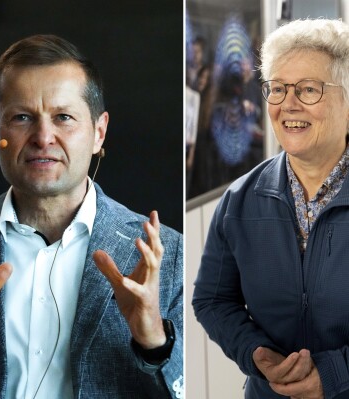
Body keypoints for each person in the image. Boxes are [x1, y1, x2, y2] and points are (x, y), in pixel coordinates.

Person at [0, 34, 183, 398]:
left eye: (64, 118)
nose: (43, 137)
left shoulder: (169, 255)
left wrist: (154, 342)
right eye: (22, 117)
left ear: (98, 133)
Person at [193, 18, 349, 399]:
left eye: (308, 89)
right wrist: (256, 354)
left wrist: (332, 375)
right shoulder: (239, 200)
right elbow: (212, 300)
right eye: (276, 88)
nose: (287, 104)